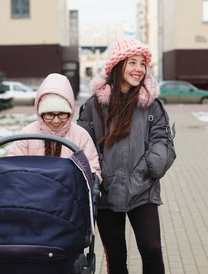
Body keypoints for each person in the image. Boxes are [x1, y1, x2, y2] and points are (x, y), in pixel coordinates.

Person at [77, 34, 176, 274]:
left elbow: (162, 141)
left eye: (143, 63)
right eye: (132, 62)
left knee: (151, 250)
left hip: (143, 190)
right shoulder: (94, 106)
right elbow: (82, 144)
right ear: (117, 65)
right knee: (116, 257)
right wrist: (97, 176)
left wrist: (147, 169)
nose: (139, 69)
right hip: (106, 193)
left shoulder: (151, 105)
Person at [8, 73, 102, 183]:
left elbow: (93, 169)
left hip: (70, 195)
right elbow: (13, 168)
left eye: (62, 114)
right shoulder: (28, 135)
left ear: (70, 112)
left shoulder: (80, 135)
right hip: (32, 193)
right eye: (50, 114)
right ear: (41, 113)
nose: (56, 121)